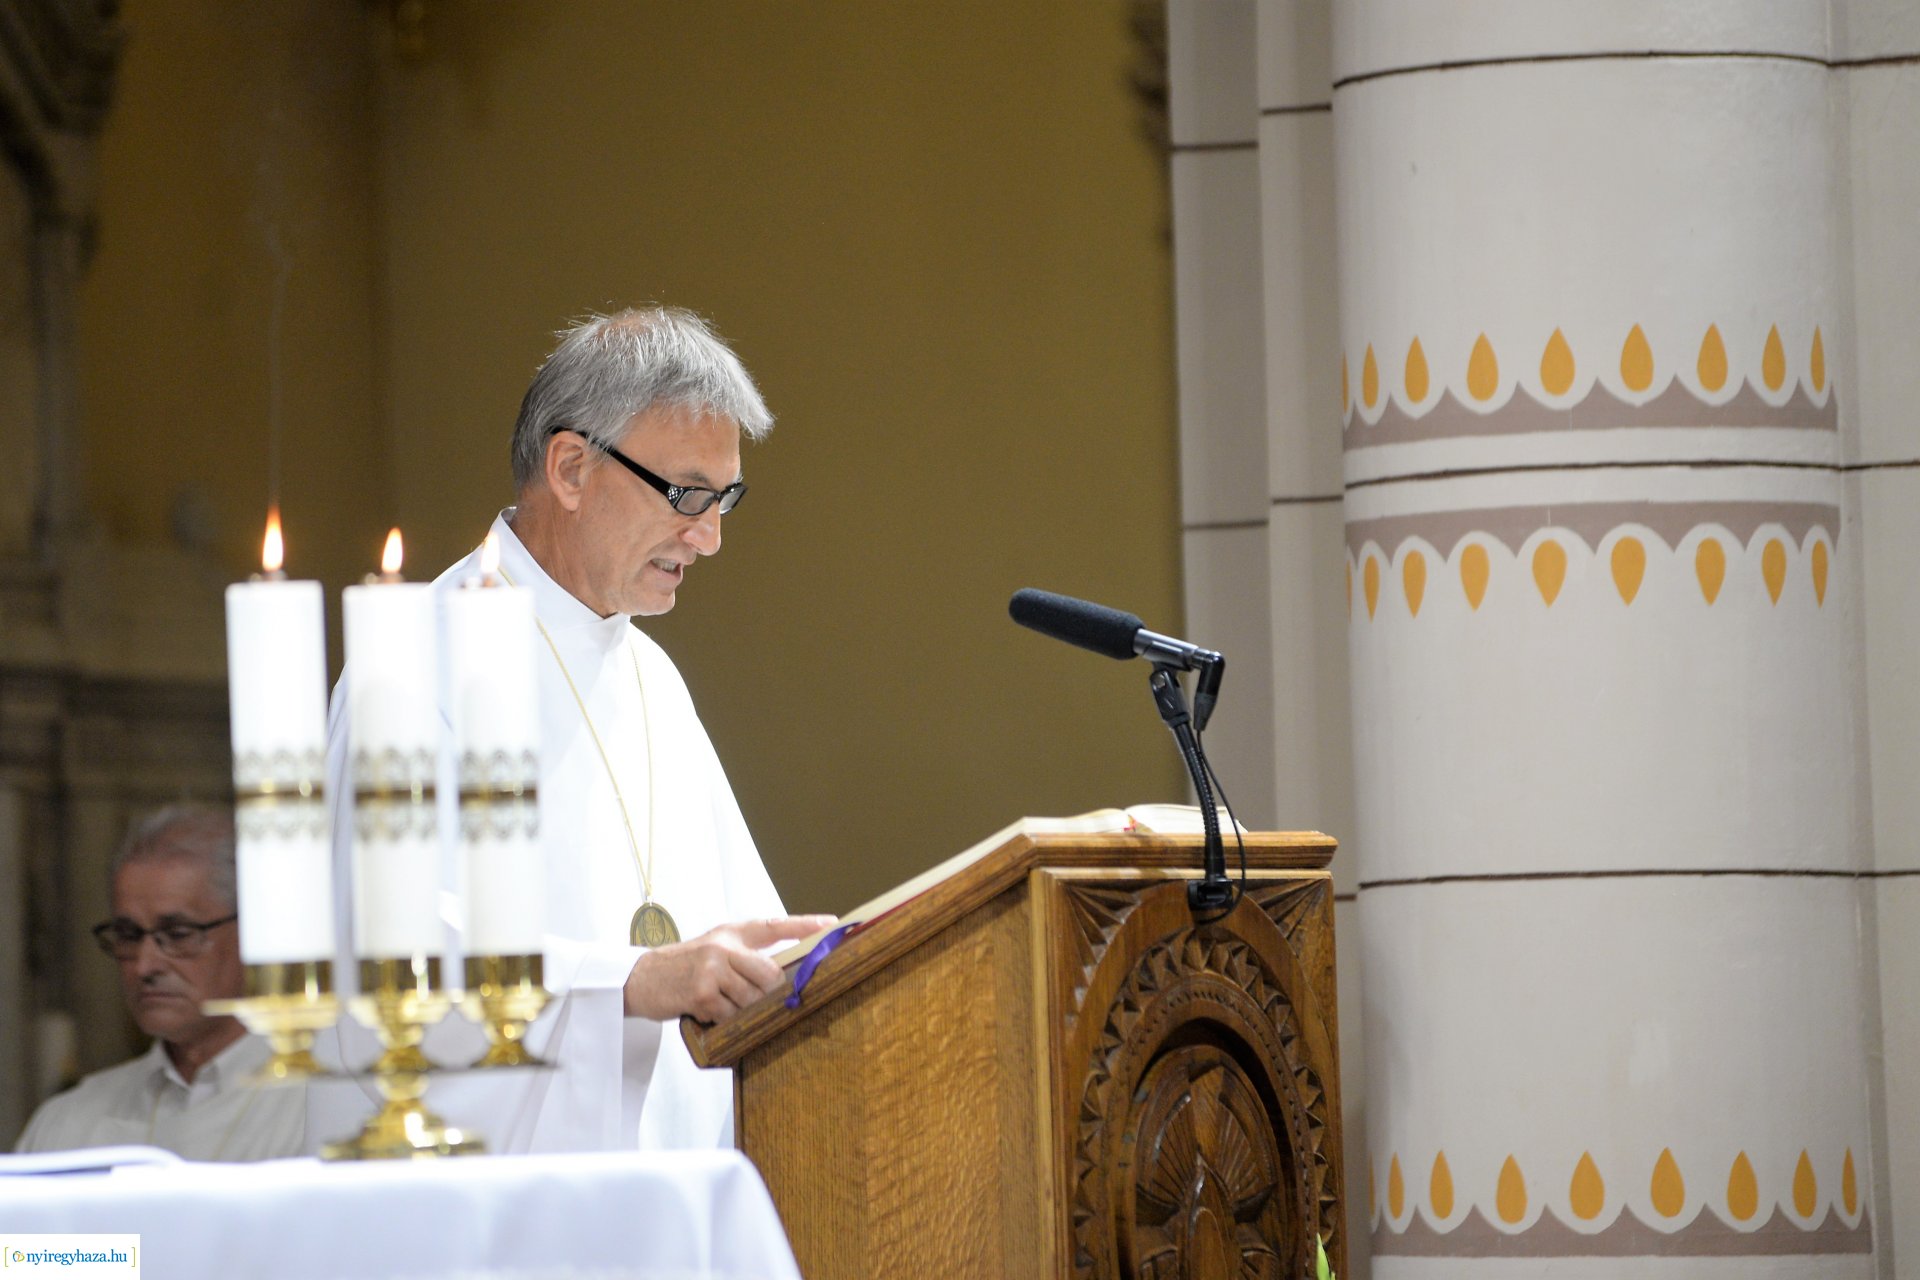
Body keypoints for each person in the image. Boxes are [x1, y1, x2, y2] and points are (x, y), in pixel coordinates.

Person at [321, 307, 832, 1151]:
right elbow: (392, 964)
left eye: (725, 499)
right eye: (686, 494)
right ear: (569, 468)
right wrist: (630, 982)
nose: (709, 537)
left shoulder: (651, 675)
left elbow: (746, 940)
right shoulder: (414, 663)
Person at [14, 806, 304, 1161]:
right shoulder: (68, 1124)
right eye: (128, 934)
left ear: (257, 932)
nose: (144, 965)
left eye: (178, 933)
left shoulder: (322, 1103)